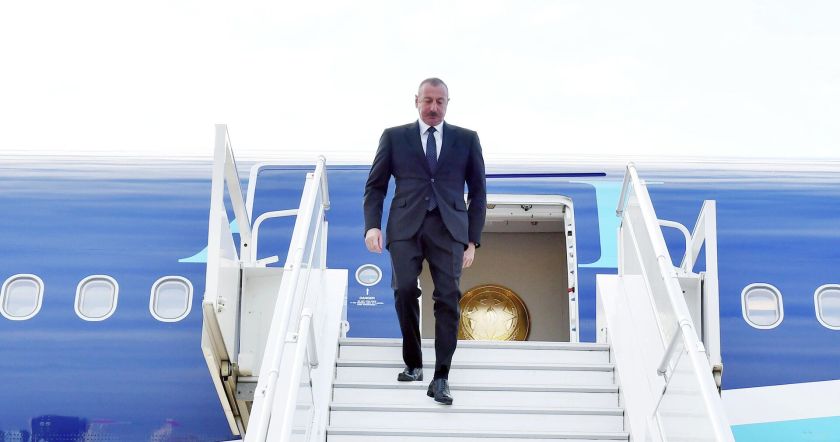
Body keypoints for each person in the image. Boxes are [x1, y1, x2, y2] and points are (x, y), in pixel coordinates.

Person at [363, 78, 486, 405]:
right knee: (404, 289)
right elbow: (375, 187)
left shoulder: (467, 139)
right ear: (416, 100)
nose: (433, 107)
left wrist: (472, 240)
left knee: (448, 298)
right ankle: (414, 362)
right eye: (428, 100)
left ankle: (441, 376)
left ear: (447, 102)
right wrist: (372, 226)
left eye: (439, 101)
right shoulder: (394, 137)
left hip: (449, 229)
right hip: (405, 226)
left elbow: (478, 193)